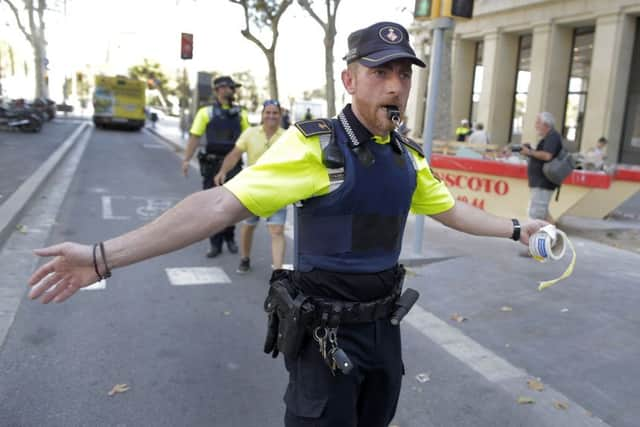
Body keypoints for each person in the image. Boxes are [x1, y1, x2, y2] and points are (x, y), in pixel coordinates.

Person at [27, 21, 547, 427]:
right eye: (380, 72)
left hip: (384, 333)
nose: (395, 86)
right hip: (326, 337)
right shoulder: (314, 146)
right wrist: (102, 257)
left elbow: (450, 209)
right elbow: (216, 207)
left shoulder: (406, 156)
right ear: (349, 79)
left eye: (403, 74)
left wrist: (520, 229)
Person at [214, 100, 287, 273]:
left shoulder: (288, 136)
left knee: (276, 230)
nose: (271, 116)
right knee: (249, 225)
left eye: (275, 113)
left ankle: (278, 273)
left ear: (280, 115)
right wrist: (222, 171)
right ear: (262, 115)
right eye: (267, 112)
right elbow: (234, 155)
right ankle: (245, 258)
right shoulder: (251, 133)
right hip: (253, 190)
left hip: (278, 191)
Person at [181, 75, 250, 258]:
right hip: (212, 164)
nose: (233, 91)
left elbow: (248, 139)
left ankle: (230, 238)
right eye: (230, 87)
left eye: (234, 88)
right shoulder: (206, 112)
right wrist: (187, 159)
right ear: (219, 89)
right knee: (212, 205)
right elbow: (195, 136)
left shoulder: (241, 113)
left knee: (233, 204)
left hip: (234, 165)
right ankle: (215, 243)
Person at [521, 112, 563, 223]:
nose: (536, 126)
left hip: (543, 182)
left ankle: (537, 239)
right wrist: (531, 151)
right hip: (542, 182)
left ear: (546, 124)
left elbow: (547, 155)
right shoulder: (549, 137)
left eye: (538, 123)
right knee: (543, 214)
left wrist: (529, 152)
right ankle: (554, 237)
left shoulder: (552, 137)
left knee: (536, 215)